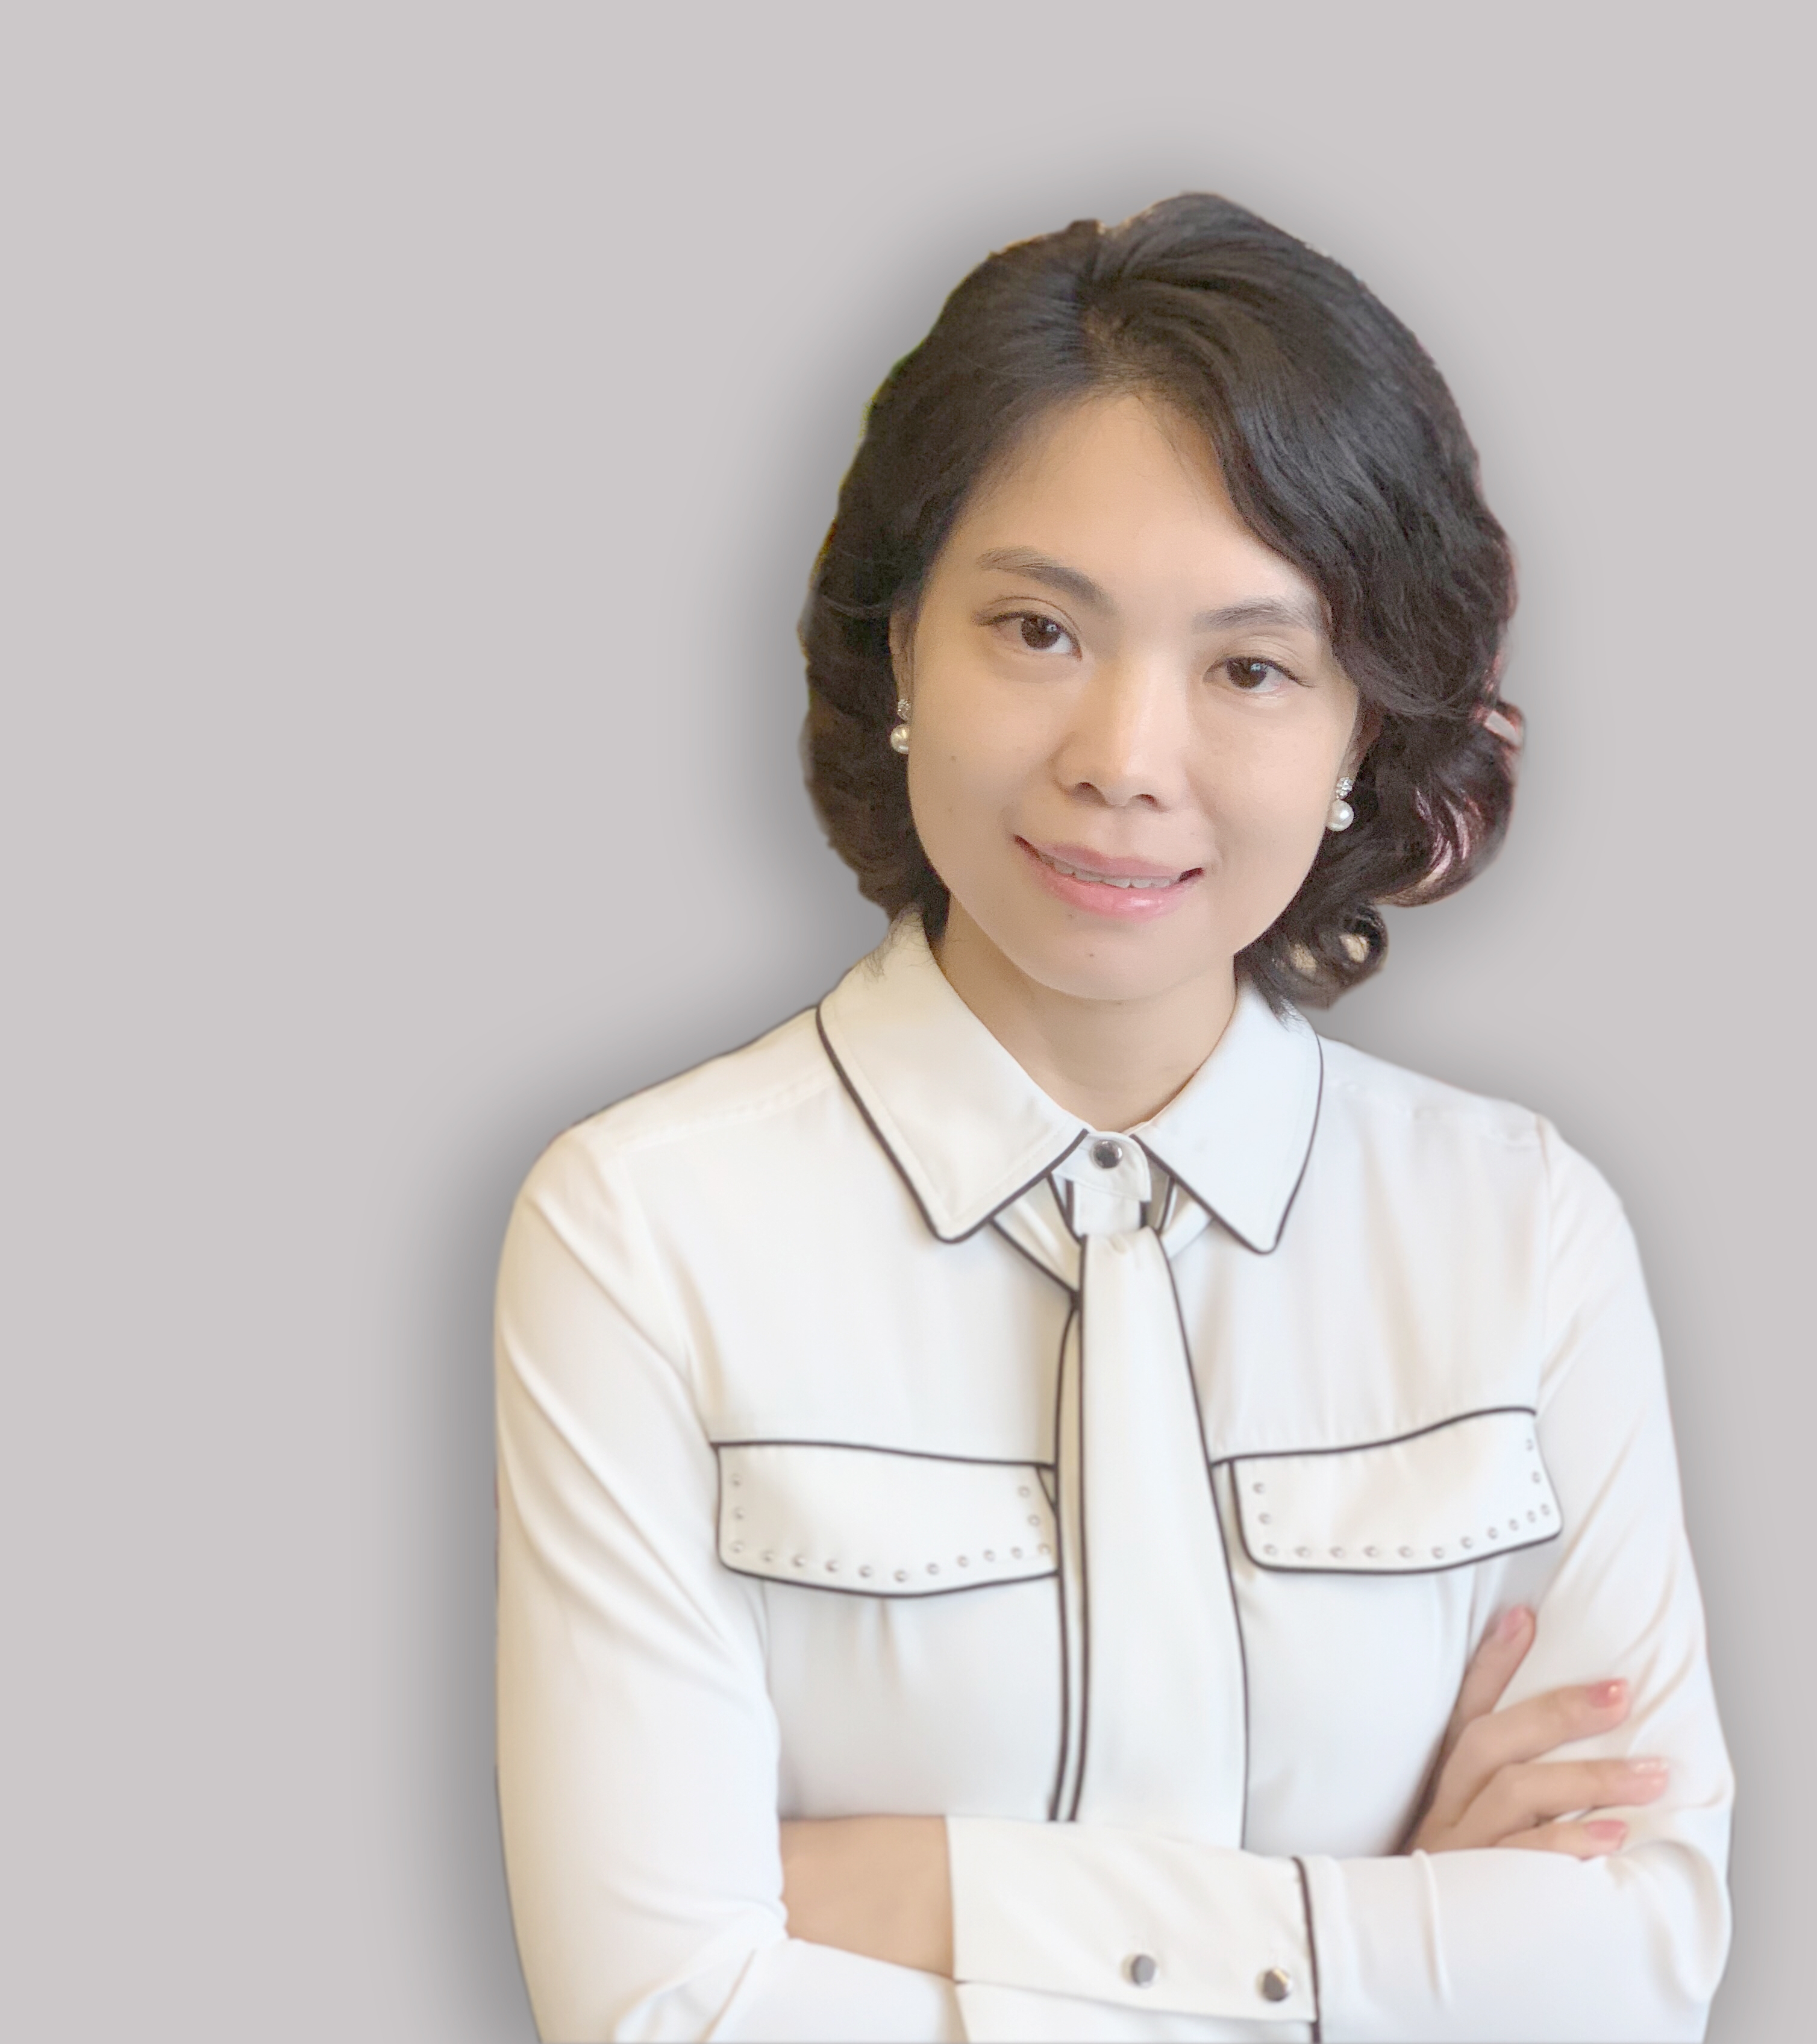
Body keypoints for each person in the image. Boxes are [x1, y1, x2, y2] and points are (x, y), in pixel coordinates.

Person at [493, 196, 1732, 2042]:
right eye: (1037, 629)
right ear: (898, 650)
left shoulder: (1520, 1232)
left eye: (1251, 667)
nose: (1125, 763)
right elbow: (662, 2008)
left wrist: (914, 1892)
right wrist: (1389, 1942)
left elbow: (1636, 1971)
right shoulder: (642, 1235)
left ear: (1363, 737)